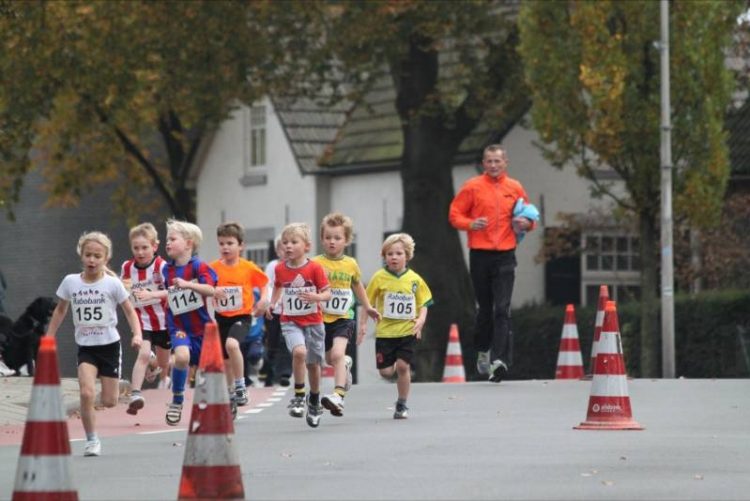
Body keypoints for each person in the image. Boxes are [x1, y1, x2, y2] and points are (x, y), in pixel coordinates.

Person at [44, 231, 143, 456]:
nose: (92, 260)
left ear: (105, 259)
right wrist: (49, 336)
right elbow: (61, 309)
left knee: (109, 401)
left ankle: (110, 392)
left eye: (97, 256)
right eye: (88, 255)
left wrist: (137, 334)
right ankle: (91, 440)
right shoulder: (70, 282)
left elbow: (129, 311)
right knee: (87, 393)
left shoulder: (112, 284)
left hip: (109, 346)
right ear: (81, 255)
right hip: (86, 348)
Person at [449, 144, 536, 383]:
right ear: (484, 163)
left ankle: (500, 361)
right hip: (480, 254)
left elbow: (530, 217)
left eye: (498, 161)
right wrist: (470, 223)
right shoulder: (473, 187)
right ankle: (483, 350)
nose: (494, 165)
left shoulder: (515, 187)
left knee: (502, 308)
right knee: (485, 309)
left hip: (506, 254)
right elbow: (455, 214)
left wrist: (526, 224)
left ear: (505, 162)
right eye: (489, 161)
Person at [312, 212, 380, 417]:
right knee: (328, 359)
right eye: (328, 237)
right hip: (321, 319)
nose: (332, 242)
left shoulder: (350, 263)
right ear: (322, 239)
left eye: (337, 238)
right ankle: (345, 366)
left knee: (337, 354)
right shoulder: (315, 263)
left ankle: (338, 396)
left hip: (344, 317)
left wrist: (367, 307)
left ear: (347, 240)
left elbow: (357, 284)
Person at [267, 223, 331, 428]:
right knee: (299, 352)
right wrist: (273, 302)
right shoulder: (280, 269)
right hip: (290, 321)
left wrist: (316, 296)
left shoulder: (314, 268)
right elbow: (277, 285)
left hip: (313, 322)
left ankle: (314, 399)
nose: (288, 246)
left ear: (306, 247)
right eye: (285, 242)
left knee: (313, 364)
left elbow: (327, 293)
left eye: (294, 242)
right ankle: (298, 394)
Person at [364, 233, 432, 420]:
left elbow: (424, 303)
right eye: (389, 254)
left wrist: (420, 321)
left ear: (407, 256)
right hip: (385, 332)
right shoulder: (379, 278)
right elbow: (367, 303)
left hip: (407, 331)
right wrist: (362, 325)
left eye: (398, 253)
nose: (393, 257)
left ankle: (402, 403)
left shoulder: (414, 279)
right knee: (386, 372)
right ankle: (392, 365)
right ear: (384, 256)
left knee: (403, 367)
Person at [162, 219, 217, 426]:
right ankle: (177, 400)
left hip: (202, 328)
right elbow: (167, 292)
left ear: (189, 243)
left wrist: (188, 285)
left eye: (173, 239)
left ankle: (223, 399)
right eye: (167, 239)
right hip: (179, 326)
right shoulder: (166, 270)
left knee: (209, 371)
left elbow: (210, 290)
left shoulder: (199, 267)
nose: (167, 243)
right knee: (181, 357)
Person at [210, 222, 269, 414]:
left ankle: (241, 386)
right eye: (221, 243)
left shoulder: (248, 268)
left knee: (232, 345)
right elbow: (203, 286)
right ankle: (229, 397)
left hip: (242, 316)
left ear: (241, 245)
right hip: (221, 317)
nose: (225, 247)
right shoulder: (213, 268)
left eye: (230, 243)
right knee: (226, 361)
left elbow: (264, 283)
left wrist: (264, 301)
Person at [120, 222, 172, 415]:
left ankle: (154, 363)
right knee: (142, 354)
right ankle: (135, 394)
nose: (140, 252)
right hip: (142, 321)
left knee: (163, 362)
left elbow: (173, 292)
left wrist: (153, 295)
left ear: (154, 247)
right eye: (136, 248)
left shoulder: (162, 266)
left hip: (164, 322)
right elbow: (124, 288)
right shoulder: (127, 267)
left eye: (144, 248)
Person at [262, 235, 292, 387]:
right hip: (274, 310)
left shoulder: (295, 265)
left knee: (285, 341)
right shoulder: (273, 266)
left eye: (289, 245)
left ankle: (285, 373)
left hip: (290, 312)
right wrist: (268, 302)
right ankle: (268, 369)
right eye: (282, 247)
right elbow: (267, 285)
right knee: (272, 343)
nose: (286, 250)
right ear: (277, 250)